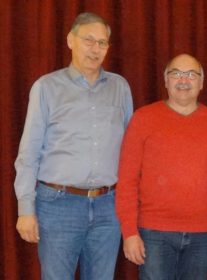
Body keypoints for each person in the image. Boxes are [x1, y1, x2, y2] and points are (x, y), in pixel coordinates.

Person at [14, 12, 133, 280]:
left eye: (102, 43)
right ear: (70, 40)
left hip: (108, 207)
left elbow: (130, 151)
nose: (96, 48)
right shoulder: (46, 87)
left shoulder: (120, 88)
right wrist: (25, 209)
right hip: (58, 206)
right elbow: (28, 153)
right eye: (89, 40)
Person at [116, 53, 207, 279]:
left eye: (191, 75)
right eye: (176, 74)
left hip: (202, 235)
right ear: (165, 81)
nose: (183, 80)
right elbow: (127, 180)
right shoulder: (143, 118)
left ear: (201, 83)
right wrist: (129, 231)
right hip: (154, 233)